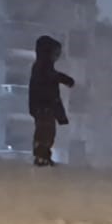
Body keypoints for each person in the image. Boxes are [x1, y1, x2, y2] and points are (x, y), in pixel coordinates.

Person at [28, 35, 74, 168]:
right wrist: (66, 79)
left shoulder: (44, 67)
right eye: (56, 53)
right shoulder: (42, 67)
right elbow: (51, 78)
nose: (57, 56)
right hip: (43, 105)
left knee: (48, 131)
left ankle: (44, 155)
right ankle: (41, 156)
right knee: (45, 131)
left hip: (46, 105)